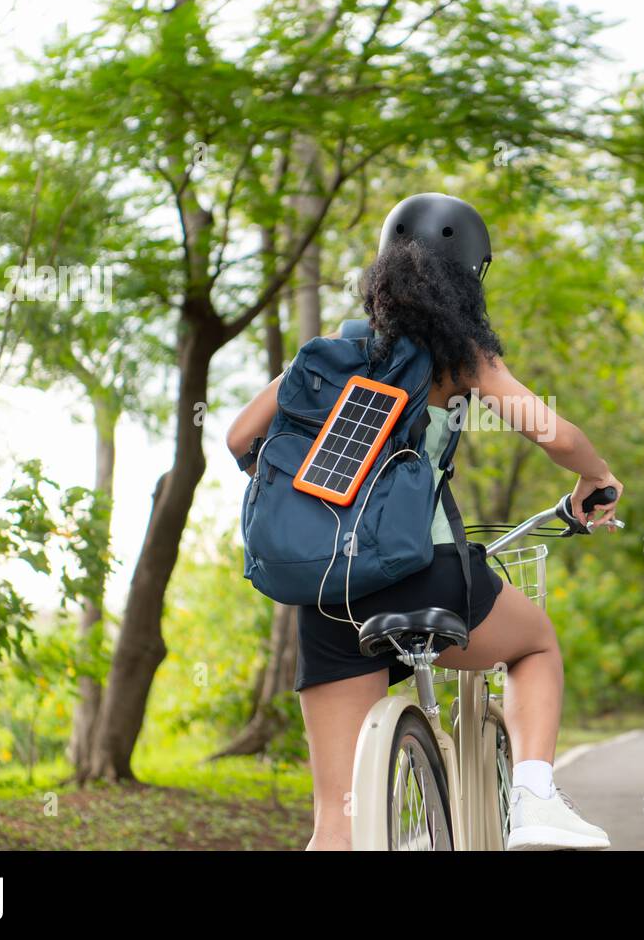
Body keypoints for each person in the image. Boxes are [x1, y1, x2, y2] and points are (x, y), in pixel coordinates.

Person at [226, 193, 623, 851]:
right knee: (536, 644)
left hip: (327, 599)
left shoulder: (326, 353)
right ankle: (533, 801)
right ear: (471, 278)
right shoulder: (458, 356)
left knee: (337, 826)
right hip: (424, 573)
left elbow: (242, 438)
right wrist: (595, 477)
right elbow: (553, 432)